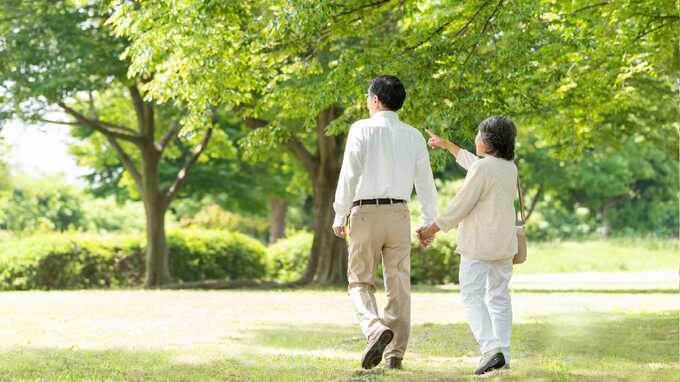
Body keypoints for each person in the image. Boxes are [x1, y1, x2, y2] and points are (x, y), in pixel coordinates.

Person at [332, 75, 438, 370]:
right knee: (399, 285)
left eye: (369, 98)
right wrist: (429, 222)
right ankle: (394, 356)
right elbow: (425, 183)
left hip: (365, 213)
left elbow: (349, 174)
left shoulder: (360, 129)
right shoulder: (414, 135)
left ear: (375, 99)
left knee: (359, 282)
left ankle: (374, 329)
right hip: (399, 215)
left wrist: (340, 213)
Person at [418, 116, 518, 375]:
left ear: (488, 141)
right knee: (499, 298)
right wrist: (447, 145)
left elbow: (459, 206)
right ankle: (503, 354)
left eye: (478, 134)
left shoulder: (483, 170)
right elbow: (475, 166)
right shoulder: (508, 168)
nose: (475, 138)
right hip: (504, 246)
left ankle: (490, 348)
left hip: (479, 245)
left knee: (472, 296)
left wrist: (431, 229)